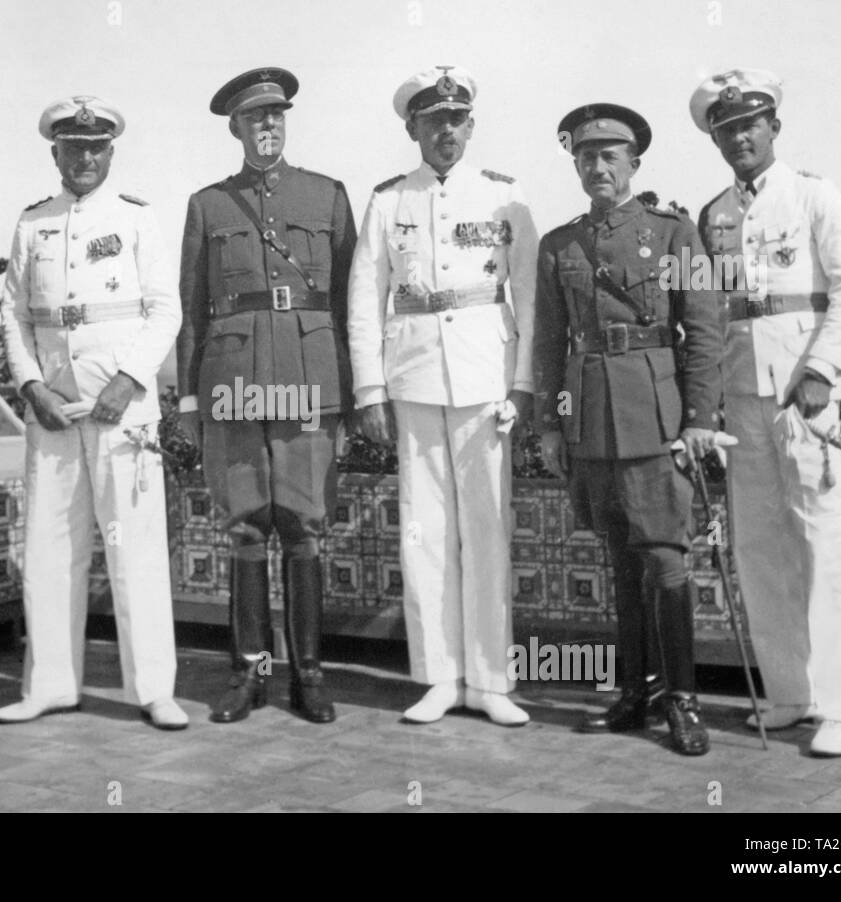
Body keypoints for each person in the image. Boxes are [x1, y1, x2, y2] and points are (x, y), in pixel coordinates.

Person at [691, 70, 841, 757]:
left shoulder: (814, 196)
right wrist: (704, 401)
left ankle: (839, 708)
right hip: (742, 399)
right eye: (725, 128)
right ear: (714, 139)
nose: (739, 136)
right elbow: (708, 316)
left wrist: (824, 372)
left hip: (811, 399)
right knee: (760, 548)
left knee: (823, 547)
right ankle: (790, 693)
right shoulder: (712, 216)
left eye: (750, 124)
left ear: (773, 127)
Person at [347, 66, 537, 727]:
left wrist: (525, 382)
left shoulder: (504, 197)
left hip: (486, 378)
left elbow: (530, 295)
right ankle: (438, 677)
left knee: (486, 529)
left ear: (470, 127)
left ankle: (490, 681)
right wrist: (370, 386)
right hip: (416, 377)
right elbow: (364, 301)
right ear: (413, 129)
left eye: (456, 121)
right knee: (424, 533)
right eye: (433, 122)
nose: (446, 131)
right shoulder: (388, 201)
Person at [533, 104, 723, 755]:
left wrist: (699, 418)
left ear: (634, 162)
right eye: (586, 156)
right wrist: (551, 429)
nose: (597, 167)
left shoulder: (675, 233)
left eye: (610, 155)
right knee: (618, 556)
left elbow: (703, 330)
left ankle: (683, 700)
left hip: (655, 416)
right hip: (590, 419)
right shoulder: (557, 246)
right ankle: (635, 691)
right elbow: (549, 343)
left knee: (665, 558)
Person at [0, 96, 187, 730]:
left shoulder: (135, 219)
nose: (84, 158)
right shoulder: (33, 223)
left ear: (111, 152)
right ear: (55, 153)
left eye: (96, 148)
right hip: (53, 410)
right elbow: (14, 316)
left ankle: (153, 688)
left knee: (133, 549)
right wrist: (28, 386)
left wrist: (130, 381)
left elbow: (166, 309)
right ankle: (51, 684)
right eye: (73, 148)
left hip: (120, 409)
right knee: (50, 548)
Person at [176, 67, 355, 724]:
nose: (268, 127)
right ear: (237, 129)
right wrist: (191, 403)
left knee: (304, 526)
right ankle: (249, 671)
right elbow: (192, 309)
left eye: (277, 116)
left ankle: (309, 672)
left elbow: (350, 300)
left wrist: (358, 391)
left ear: (287, 122)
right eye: (256, 119)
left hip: (310, 373)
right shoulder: (208, 205)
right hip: (235, 381)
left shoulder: (328, 196)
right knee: (246, 525)